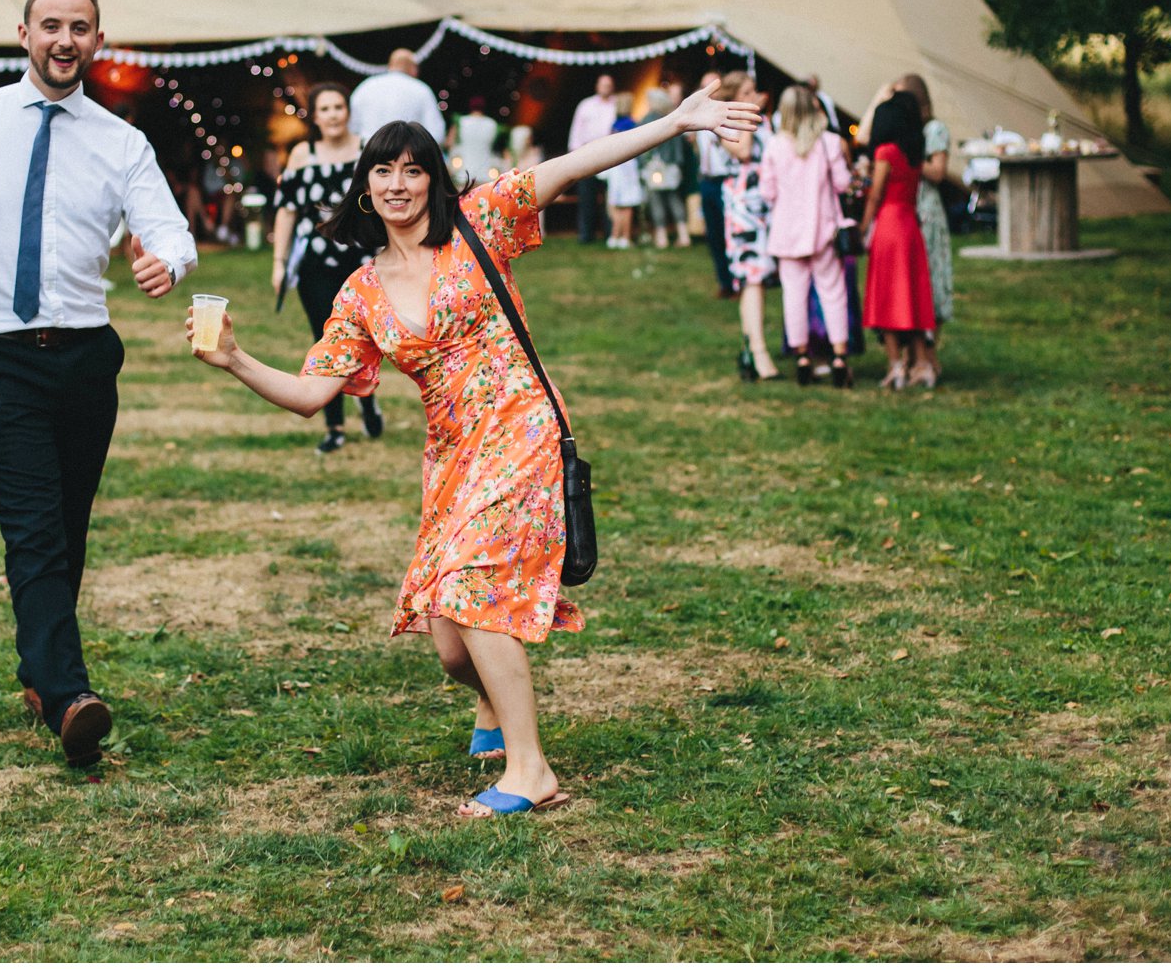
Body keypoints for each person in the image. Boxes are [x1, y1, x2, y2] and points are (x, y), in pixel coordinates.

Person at [183, 84, 763, 817]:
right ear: (365, 186)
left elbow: (575, 164)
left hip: (524, 428)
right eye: (383, 171)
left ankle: (531, 768)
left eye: (413, 169)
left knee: (469, 590)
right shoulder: (360, 291)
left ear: (434, 177)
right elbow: (310, 394)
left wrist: (675, 121)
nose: (398, 184)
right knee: (450, 640)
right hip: (454, 453)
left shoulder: (481, 220)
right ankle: (492, 704)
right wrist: (234, 358)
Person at [0, 0, 197, 771]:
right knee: (32, 528)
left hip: (86, 359)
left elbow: (171, 230)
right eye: (51, 24)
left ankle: (39, 673)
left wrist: (163, 261)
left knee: (66, 527)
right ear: (23, 34)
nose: (65, 39)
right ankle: (70, 696)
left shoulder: (121, 141)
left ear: (99, 40)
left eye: (81, 27)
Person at [270, 82, 384, 453]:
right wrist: (279, 263)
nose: (333, 114)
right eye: (326, 109)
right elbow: (286, 208)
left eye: (339, 107)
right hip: (315, 264)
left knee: (364, 339)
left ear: (347, 111)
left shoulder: (368, 150)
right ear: (315, 117)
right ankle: (335, 426)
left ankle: (366, 400)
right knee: (326, 342)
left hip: (361, 261)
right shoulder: (303, 155)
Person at [759, 85, 853, 388]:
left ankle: (801, 356)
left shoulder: (774, 146)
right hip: (823, 229)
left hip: (787, 232)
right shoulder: (829, 143)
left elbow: (767, 192)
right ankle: (839, 356)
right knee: (833, 293)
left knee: (794, 296)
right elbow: (842, 183)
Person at [861, 91, 937, 389]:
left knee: (886, 297)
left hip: (890, 227)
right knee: (913, 298)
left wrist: (863, 226)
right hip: (910, 224)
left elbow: (876, 194)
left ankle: (896, 367)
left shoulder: (886, 153)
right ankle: (923, 365)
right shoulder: (915, 154)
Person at [716, 72, 781, 380]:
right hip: (744, 207)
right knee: (752, 276)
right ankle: (757, 351)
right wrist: (748, 116)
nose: (754, 95)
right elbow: (742, 152)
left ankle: (753, 347)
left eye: (755, 90)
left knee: (764, 276)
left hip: (770, 204)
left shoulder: (766, 122)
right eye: (746, 92)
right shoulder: (726, 126)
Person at [903, 76, 955, 380]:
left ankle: (930, 350)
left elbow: (937, 172)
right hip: (908, 208)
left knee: (931, 277)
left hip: (928, 209)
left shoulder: (934, 129)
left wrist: (909, 160)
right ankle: (915, 353)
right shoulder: (905, 130)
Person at [693, 70, 737, 294]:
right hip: (707, 180)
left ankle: (738, 279)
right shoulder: (697, 116)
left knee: (731, 232)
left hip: (726, 180)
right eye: (703, 85)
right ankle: (724, 282)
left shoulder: (730, 114)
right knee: (714, 234)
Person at [637, 81, 695, 249]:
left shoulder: (648, 119)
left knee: (656, 201)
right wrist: (677, 164)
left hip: (655, 167)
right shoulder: (671, 118)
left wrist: (644, 165)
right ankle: (683, 235)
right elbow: (678, 147)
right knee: (674, 199)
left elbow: (642, 146)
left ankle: (661, 237)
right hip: (671, 167)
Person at [349, 48, 445, 144]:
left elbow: (352, 127)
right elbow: (436, 133)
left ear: (390, 65)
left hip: (369, 153)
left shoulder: (365, 87)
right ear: (413, 68)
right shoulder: (421, 89)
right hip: (408, 154)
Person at [566, 75, 619, 244]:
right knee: (587, 196)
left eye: (608, 85)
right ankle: (586, 235)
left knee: (611, 197)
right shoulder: (586, 105)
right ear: (597, 86)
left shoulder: (617, 105)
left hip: (611, 154)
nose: (606, 87)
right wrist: (574, 154)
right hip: (587, 153)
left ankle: (610, 233)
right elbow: (576, 130)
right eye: (603, 84)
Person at [602, 91, 644, 249]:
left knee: (615, 203)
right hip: (628, 166)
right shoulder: (631, 124)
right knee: (627, 204)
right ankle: (625, 237)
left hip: (615, 167)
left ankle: (614, 236)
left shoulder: (614, 125)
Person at [447, 95, 502, 189]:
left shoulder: (462, 121)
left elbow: (449, 143)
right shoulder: (492, 124)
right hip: (485, 172)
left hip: (463, 170)